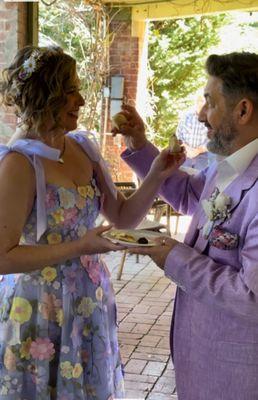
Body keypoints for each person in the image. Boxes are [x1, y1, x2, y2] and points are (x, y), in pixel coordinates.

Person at [0, 45, 185, 399]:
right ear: (45, 95)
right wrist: (82, 246)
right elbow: (3, 256)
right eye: (70, 90)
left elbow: (123, 216)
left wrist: (158, 173)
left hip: (89, 299)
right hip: (39, 307)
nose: (81, 100)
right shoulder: (18, 163)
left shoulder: (83, 147)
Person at [113, 52, 258, 400]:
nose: (201, 115)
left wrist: (173, 256)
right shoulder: (230, 166)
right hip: (202, 363)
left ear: (242, 110)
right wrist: (139, 145)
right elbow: (189, 195)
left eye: (209, 102)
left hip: (236, 380)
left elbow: (251, 297)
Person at [176, 94, 211, 170]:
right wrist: (185, 147)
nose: (202, 104)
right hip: (185, 154)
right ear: (197, 102)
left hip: (204, 156)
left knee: (201, 179)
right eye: (201, 101)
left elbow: (214, 139)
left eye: (205, 102)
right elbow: (178, 135)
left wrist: (199, 150)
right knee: (182, 177)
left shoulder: (211, 118)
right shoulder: (186, 117)